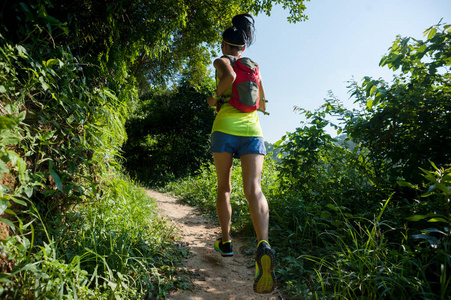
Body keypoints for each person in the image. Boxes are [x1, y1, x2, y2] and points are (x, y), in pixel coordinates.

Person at [206, 13, 276, 294]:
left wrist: (215, 97)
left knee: (224, 188)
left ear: (224, 45)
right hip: (252, 132)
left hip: (224, 128)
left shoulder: (223, 60)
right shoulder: (255, 67)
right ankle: (264, 243)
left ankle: (225, 242)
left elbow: (230, 75)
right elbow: (262, 104)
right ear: (243, 47)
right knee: (254, 189)